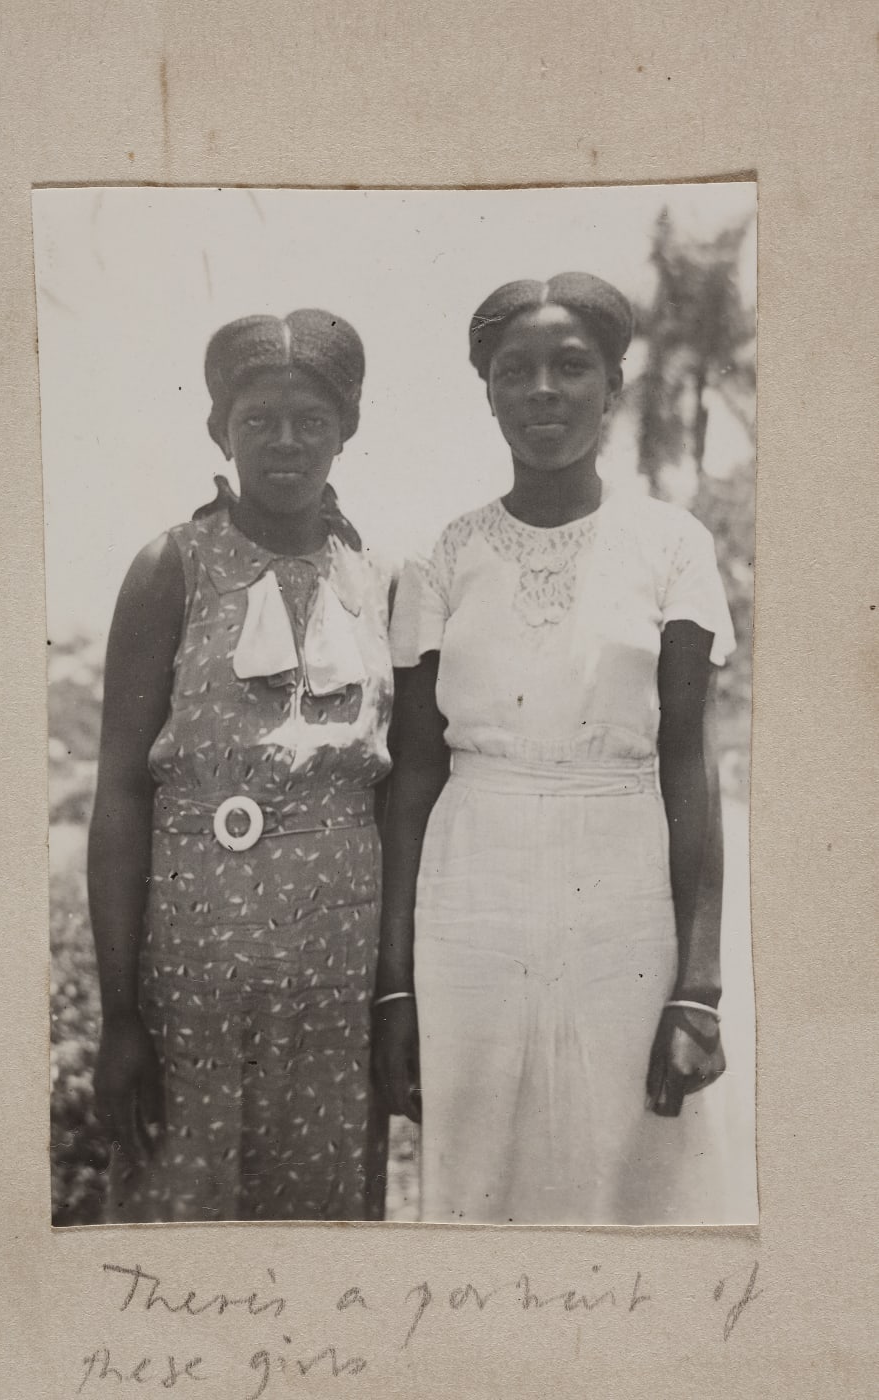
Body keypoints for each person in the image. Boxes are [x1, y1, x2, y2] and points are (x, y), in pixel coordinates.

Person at [375, 272, 736, 1225]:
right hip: (469, 900)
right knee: (483, 1182)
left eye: (570, 367)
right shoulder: (440, 558)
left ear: (615, 387)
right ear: (487, 392)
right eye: (514, 370)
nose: (542, 390)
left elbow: (688, 764)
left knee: (639, 1181)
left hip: (625, 895)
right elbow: (413, 774)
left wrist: (697, 988)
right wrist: (394, 988)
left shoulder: (670, 545)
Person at [88, 309, 393, 1222]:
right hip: (192, 964)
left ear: (347, 431)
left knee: (321, 1212)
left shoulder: (377, 581)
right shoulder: (169, 568)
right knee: (181, 1212)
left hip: (339, 966)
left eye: (312, 421)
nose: (286, 442)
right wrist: (118, 1016)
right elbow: (118, 794)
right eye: (259, 419)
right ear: (221, 427)